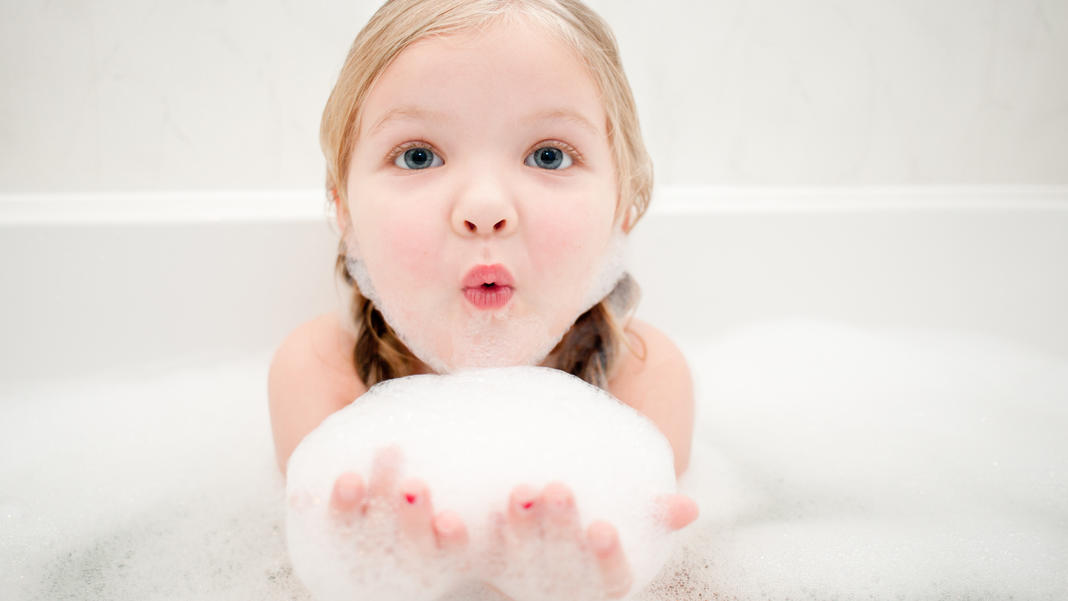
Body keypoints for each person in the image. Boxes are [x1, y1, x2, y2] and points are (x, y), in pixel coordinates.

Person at [268, 0, 698, 597]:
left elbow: (647, 558)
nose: (485, 207)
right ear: (344, 210)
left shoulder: (642, 377)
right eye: (419, 155)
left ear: (624, 203)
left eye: (548, 154)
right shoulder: (321, 371)